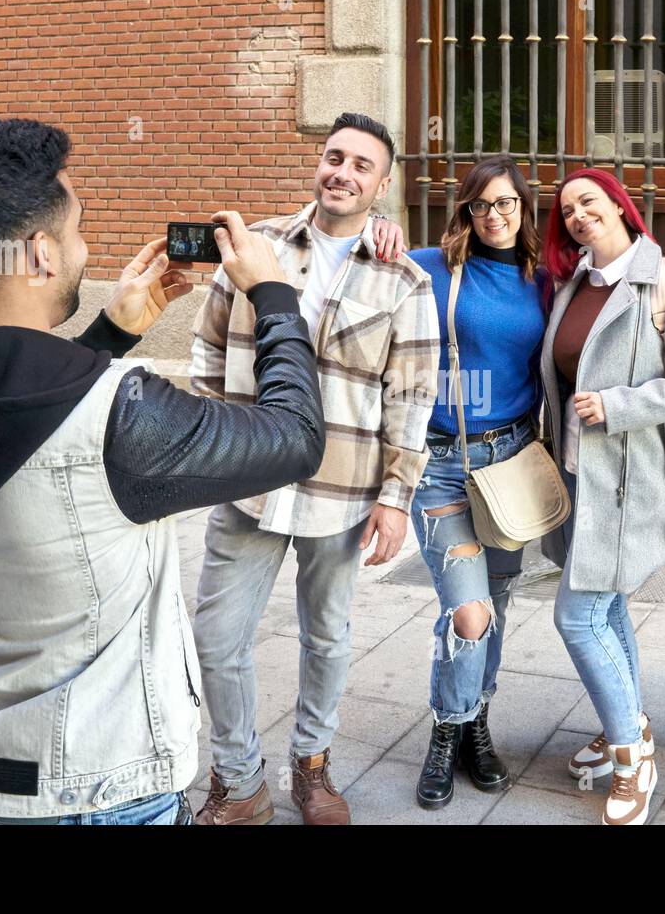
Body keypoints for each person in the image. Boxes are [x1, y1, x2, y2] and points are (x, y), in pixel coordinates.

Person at [0, 118, 325, 825]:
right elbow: (294, 436)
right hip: (100, 791)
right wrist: (275, 296)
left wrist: (110, 334)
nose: (84, 249)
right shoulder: (122, 418)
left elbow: (12, 422)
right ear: (40, 255)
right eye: (77, 231)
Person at [189, 112, 440, 825]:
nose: (343, 172)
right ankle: (238, 782)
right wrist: (215, 446)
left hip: (343, 491)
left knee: (326, 635)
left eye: (363, 165)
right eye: (335, 157)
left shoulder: (406, 280)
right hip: (248, 483)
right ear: (318, 163)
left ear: (382, 185)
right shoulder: (254, 247)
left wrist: (398, 496)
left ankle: (312, 764)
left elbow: (412, 396)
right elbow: (208, 353)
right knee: (216, 637)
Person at [539, 167, 665, 826]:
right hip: (579, 473)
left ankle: (630, 757)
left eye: (590, 201)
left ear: (620, 205)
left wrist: (616, 405)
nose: (579, 215)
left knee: (577, 618)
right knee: (606, 609)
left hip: (632, 476)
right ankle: (630, 725)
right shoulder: (572, 285)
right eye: (567, 211)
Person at [402, 156, 549, 809]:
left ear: (524, 211)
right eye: (482, 205)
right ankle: (446, 730)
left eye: (507, 205)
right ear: (466, 211)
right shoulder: (430, 267)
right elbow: (348, 274)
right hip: (441, 467)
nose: (495, 216)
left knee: (498, 608)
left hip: (510, 462)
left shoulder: (541, 279)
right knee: (470, 613)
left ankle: (476, 722)